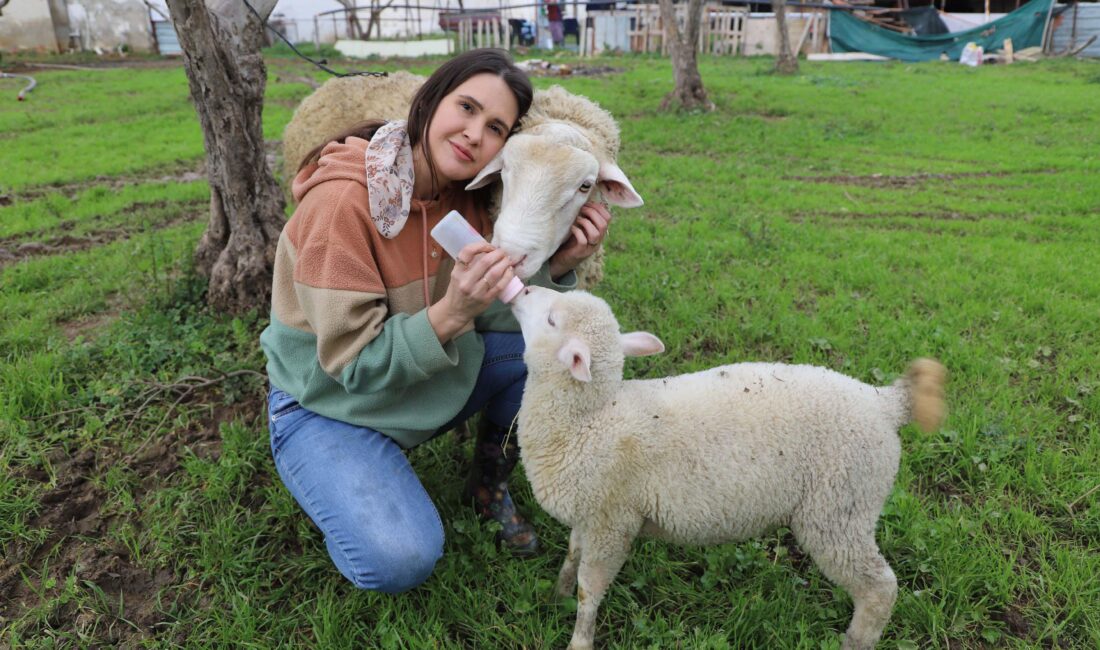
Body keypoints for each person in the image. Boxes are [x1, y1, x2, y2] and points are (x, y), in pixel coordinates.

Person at [260, 49, 613, 594]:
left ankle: (488, 484)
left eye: (494, 126)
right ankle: (336, 470)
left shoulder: (468, 199)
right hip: (327, 403)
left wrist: (562, 266)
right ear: (428, 103)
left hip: (410, 380)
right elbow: (353, 365)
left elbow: (496, 313)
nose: (474, 133)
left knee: (550, 344)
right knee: (401, 559)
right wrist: (451, 312)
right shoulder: (341, 205)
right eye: (465, 107)